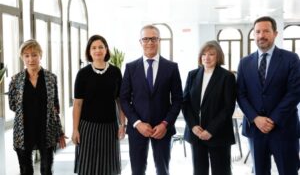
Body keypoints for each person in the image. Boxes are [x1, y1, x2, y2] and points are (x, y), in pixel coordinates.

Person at [237, 16, 300, 175]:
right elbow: (241, 94)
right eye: (257, 31)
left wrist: (273, 119)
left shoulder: (291, 59)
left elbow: (294, 92)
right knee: (260, 171)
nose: (261, 35)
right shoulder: (244, 63)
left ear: (275, 33)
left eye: (266, 31)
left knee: (288, 171)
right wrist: (255, 118)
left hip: (284, 128)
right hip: (255, 130)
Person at [120, 25, 183, 175]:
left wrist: (165, 124)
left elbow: (178, 99)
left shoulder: (171, 68)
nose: (150, 42)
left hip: (162, 129)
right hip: (138, 129)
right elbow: (124, 99)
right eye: (146, 39)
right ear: (140, 42)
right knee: (137, 170)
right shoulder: (130, 67)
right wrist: (137, 123)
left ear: (159, 40)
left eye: (153, 39)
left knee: (162, 170)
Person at [8, 39, 66, 175]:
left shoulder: (51, 78)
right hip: (23, 131)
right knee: (25, 170)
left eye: (34, 54)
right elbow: (12, 105)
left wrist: (60, 132)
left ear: (40, 55)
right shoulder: (15, 80)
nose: (30, 59)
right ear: (22, 58)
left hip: (46, 129)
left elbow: (55, 107)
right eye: (26, 55)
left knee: (47, 170)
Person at [72, 35, 126, 175]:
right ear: (89, 52)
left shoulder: (115, 72)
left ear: (106, 50)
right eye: (94, 48)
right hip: (87, 127)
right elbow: (77, 104)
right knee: (87, 168)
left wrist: (122, 125)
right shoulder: (82, 74)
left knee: (108, 167)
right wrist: (75, 129)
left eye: (101, 47)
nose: (98, 50)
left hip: (110, 127)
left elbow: (120, 101)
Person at [182, 40, 236, 175]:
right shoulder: (192, 75)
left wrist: (211, 130)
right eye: (204, 54)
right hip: (197, 134)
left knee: (221, 171)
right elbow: (185, 102)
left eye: (211, 54)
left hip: (218, 134)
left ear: (218, 56)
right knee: (199, 171)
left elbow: (228, 108)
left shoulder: (227, 76)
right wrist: (193, 126)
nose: (207, 57)